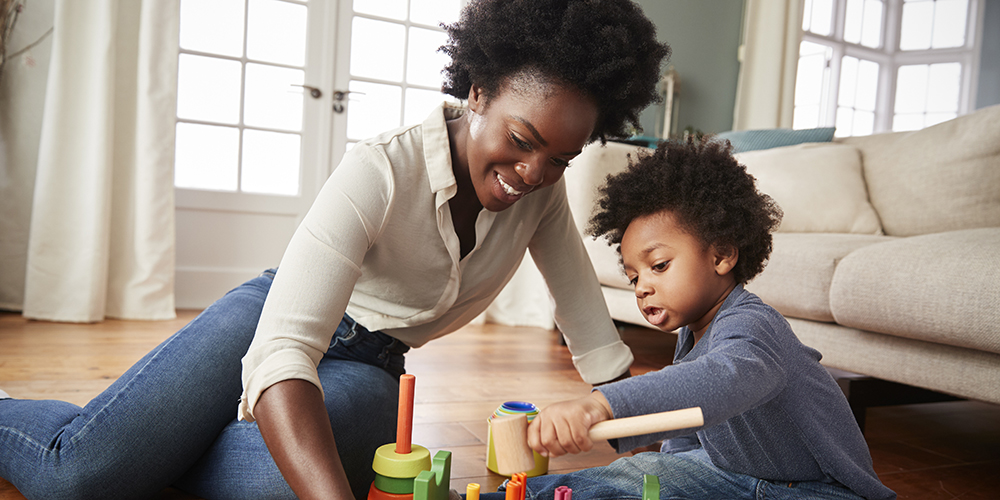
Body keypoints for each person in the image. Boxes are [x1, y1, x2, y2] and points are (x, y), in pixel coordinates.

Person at [0, 1, 670, 499]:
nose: (533, 173)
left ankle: (145, 456)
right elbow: (283, 348)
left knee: (264, 487)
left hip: (370, 368)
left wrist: (662, 446)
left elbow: (596, 341)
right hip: (269, 323)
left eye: (559, 159)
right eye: (522, 141)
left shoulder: (541, 200)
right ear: (478, 93)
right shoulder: (380, 170)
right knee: (77, 477)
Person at [479, 138, 896, 500]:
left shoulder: (753, 327)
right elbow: (685, 436)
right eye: (633, 275)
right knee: (634, 475)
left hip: (816, 490)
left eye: (659, 265)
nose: (641, 286)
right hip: (739, 476)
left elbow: (721, 381)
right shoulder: (693, 335)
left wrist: (601, 405)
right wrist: (665, 476)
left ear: (721, 255)